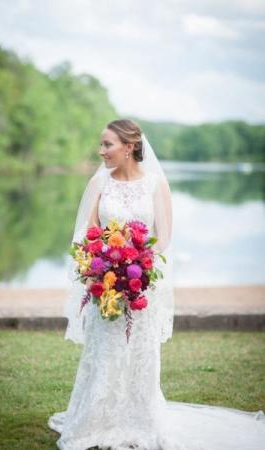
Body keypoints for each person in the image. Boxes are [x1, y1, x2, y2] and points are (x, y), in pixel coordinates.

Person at [48, 119, 265, 450]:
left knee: (138, 354)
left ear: (130, 147)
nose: (101, 151)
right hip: (104, 285)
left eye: (107, 144)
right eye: (101, 144)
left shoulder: (155, 186)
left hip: (141, 287)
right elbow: (86, 231)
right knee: (104, 351)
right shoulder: (99, 184)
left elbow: (163, 240)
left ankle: (139, 419)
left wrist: (135, 264)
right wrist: (102, 261)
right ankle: (95, 419)